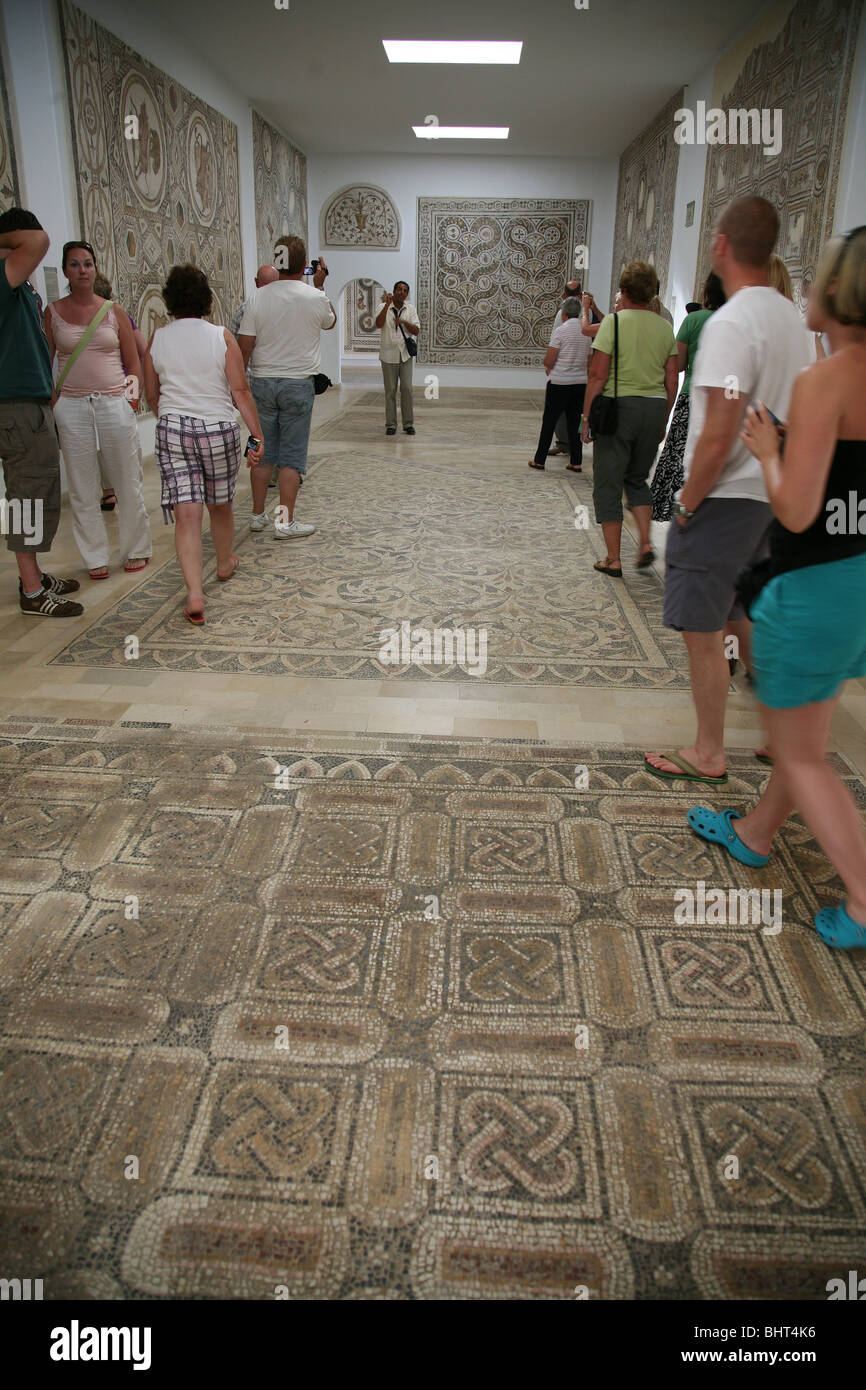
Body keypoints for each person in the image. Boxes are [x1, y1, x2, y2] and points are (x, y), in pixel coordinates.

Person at [686, 226, 866, 949]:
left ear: (838, 291)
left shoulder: (826, 382)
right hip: (858, 577)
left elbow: (795, 508)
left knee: (798, 753)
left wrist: (767, 452)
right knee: (808, 739)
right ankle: (756, 833)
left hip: (812, 581)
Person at [643, 195, 812, 785]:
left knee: (702, 630)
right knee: (744, 615)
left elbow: (715, 436)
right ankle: (775, 737)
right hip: (766, 495)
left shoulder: (732, 322)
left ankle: (709, 751)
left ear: (720, 245)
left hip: (723, 499)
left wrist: (687, 503)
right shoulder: (791, 319)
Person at [143, 264, 265, 625]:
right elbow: (240, 391)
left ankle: (195, 593)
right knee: (220, 504)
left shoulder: (158, 339)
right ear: (207, 299)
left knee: (187, 514)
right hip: (217, 429)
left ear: (170, 300)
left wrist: (170, 417)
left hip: (173, 429)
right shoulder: (221, 336)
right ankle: (224, 563)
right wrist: (256, 436)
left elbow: (152, 393)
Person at [44, 240, 151, 579]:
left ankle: (136, 548)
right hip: (73, 405)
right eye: (75, 265)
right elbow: (44, 360)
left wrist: (130, 401)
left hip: (112, 401)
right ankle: (95, 556)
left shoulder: (112, 310)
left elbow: (133, 360)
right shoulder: (53, 313)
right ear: (65, 270)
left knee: (127, 479)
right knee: (82, 484)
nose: (82, 270)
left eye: (88, 264)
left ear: (95, 268)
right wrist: (55, 402)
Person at [0, 207, 83, 616]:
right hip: (14, 406)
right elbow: (39, 241)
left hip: (27, 403)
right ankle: (32, 592)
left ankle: (32, 573)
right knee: (26, 496)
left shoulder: (16, 284)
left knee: (34, 492)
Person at [581, 260, 679, 575]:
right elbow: (672, 380)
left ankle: (613, 558)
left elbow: (597, 374)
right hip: (652, 408)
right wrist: (663, 418)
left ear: (623, 290)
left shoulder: (614, 322)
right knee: (637, 478)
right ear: (652, 293)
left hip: (618, 408)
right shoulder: (665, 327)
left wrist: (587, 417)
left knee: (608, 482)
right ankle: (647, 542)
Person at [237, 236, 336, 538]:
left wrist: (239, 387)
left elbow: (244, 347)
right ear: (305, 264)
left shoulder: (257, 297)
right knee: (291, 456)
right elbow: (330, 322)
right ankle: (284, 522)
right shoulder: (314, 297)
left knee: (259, 449)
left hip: (261, 384)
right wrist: (319, 285)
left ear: (276, 261)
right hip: (298, 385)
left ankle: (256, 515)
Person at [650, 272, 726, 520]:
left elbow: (679, 363)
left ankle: (674, 506)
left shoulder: (695, 320)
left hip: (693, 394)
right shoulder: (734, 321)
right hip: (725, 400)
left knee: (679, 453)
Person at [92, 272, 147, 513]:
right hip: (95, 393)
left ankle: (124, 491)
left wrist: (134, 396)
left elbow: (141, 352)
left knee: (120, 443)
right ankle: (111, 492)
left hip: (119, 391)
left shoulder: (119, 316)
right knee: (103, 445)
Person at [528, 297, 590, 473]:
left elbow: (550, 359)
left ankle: (539, 460)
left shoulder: (560, 331)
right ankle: (576, 462)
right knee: (574, 423)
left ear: (563, 314)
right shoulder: (586, 332)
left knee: (549, 421)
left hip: (559, 382)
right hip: (580, 384)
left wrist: (548, 364)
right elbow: (590, 360)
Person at [375, 280, 420, 435]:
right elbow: (379, 324)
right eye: (399, 289)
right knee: (390, 390)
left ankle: (408, 424)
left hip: (405, 355)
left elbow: (416, 330)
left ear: (407, 294)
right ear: (393, 291)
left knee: (407, 389)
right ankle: (391, 424)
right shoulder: (382, 307)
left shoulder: (410, 309)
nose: (402, 292)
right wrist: (387, 305)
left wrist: (403, 322)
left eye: (405, 290)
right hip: (388, 355)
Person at [548, 279, 584, 455]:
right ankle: (565, 444)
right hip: (569, 373)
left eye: (575, 295)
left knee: (571, 412)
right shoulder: (563, 314)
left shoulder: (586, 315)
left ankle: (569, 445)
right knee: (564, 413)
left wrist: (550, 365)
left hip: (572, 374)